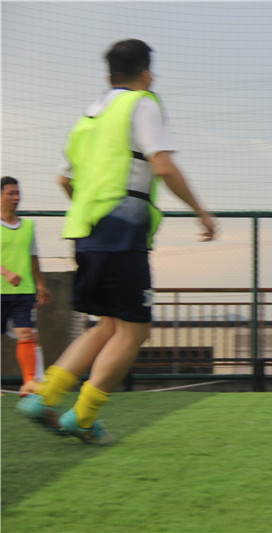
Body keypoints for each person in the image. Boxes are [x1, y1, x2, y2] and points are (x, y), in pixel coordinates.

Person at [17, 39, 216, 444]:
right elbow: (163, 166)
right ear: (145, 73)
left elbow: (63, 179)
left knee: (107, 325)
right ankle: (83, 417)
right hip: (122, 235)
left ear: (110, 74)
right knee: (134, 332)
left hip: (86, 233)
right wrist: (202, 212)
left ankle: (45, 396)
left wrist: (93, 207)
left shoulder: (88, 117)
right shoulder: (141, 104)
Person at [1, 176, 51, 396]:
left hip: (24, 291)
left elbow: (33, 257)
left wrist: (41, 284)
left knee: (26, 333)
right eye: (11, 193)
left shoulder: (28, 226)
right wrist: (6, 273)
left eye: (18, 193)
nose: (16, 198)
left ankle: (29, 383)